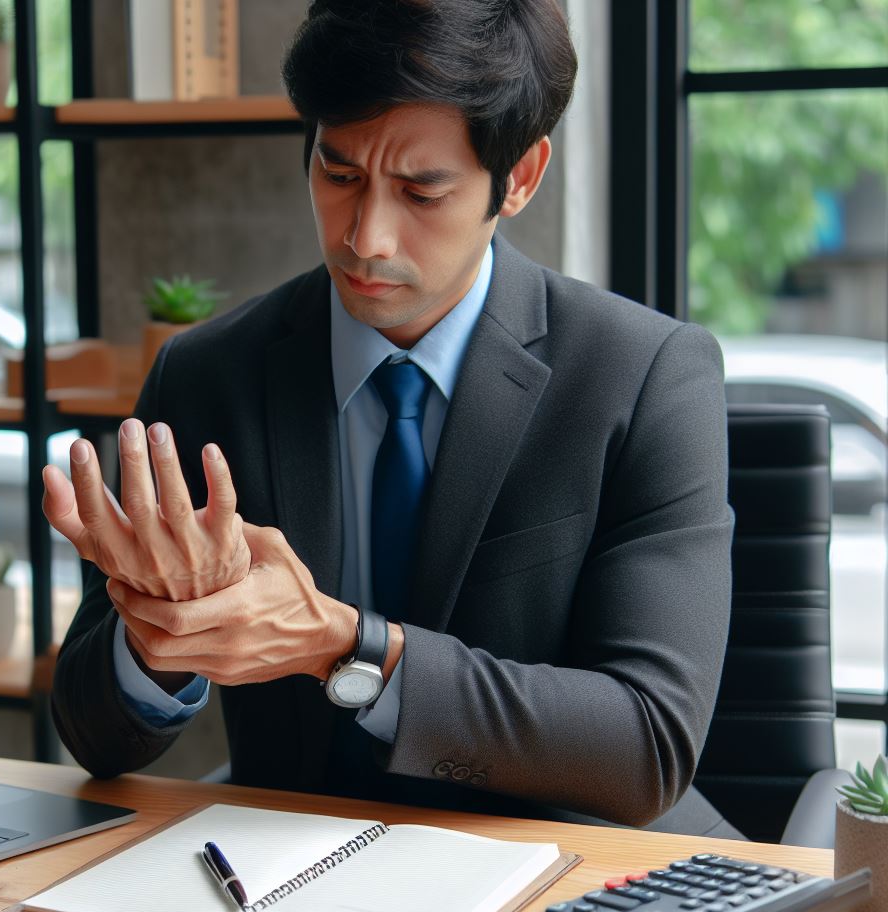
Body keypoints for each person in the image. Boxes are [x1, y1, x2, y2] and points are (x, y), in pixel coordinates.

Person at [45, 0, 741, 838]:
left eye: (420, 191)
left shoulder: (645, 377)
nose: (366, 237)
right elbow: (90, 733)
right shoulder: (207, 375)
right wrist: (159, 628)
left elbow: (645, 744)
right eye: (339, 176)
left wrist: (341, 647)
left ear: (518, 177)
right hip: (293, 876)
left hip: (566, 883)